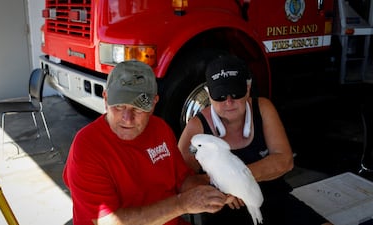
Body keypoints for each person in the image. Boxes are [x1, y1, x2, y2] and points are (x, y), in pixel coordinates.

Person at [63, 60, 230, 225]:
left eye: (137, 108)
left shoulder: (160, 129)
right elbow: (110, 221)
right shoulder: (87, 147)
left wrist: (223, 187)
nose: (127, 119)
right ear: (105, 99)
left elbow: (182, 180)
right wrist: (182, 204)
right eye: (119, 106)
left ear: (154, 104)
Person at [178, 55, 333, 225]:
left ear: (248, 88)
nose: (229, 102)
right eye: (220, 95)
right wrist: (225, 189)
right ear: (208, 94)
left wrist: (239, 181)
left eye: (236, 93)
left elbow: (285, 160)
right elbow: (183, 183)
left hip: (274, 197)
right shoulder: (196, 127)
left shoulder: (263, 108)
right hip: (226, 207)